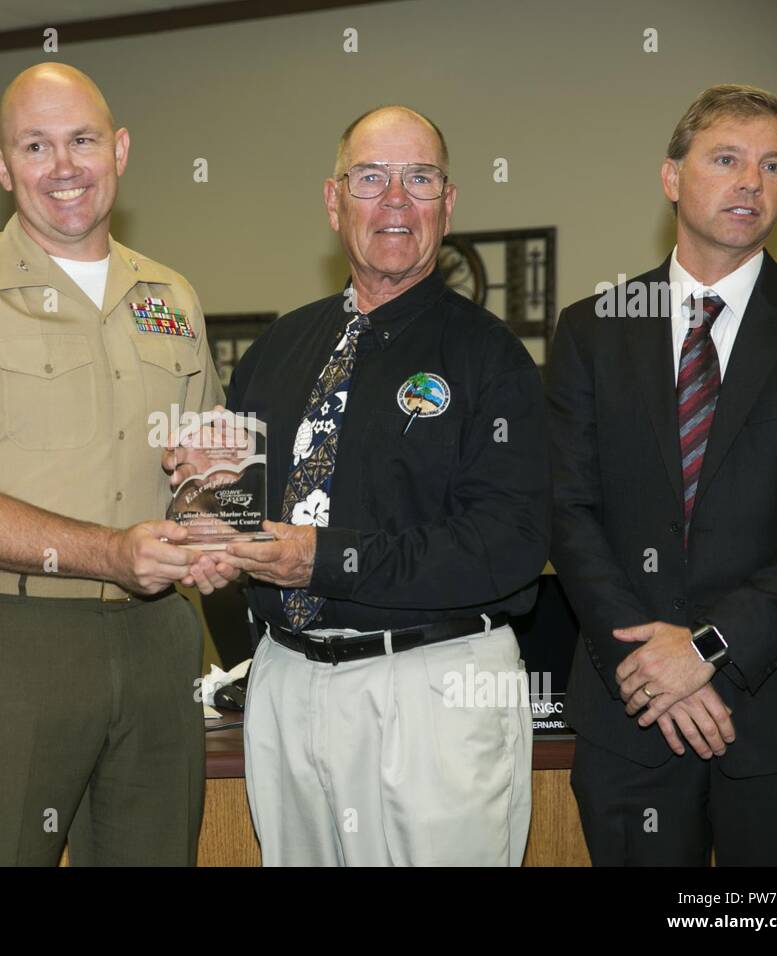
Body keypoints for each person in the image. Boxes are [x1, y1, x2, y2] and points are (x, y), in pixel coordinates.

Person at [169, 106, 550, 865]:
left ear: (449, 202)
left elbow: (508, 546)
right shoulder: (280, 347)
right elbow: (240, 511)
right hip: (283, 681)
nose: (397, 201)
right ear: (334, 200)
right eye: (372, 178)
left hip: (431, 689)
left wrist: (324, 560)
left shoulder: (492, 358)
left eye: (421, 179)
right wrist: (207, 524)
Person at [0, 63, 226, 866]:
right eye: (36, 146)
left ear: (121, 150)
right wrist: (108, 551)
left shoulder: (171, 295)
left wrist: (216, 515)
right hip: (12, 644)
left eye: (82, 141)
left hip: (160, 641)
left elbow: (202, 473)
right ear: (2, 168)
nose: (64, 167)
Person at [548, 84, 777, 865]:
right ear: (671, 177)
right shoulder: (592, 329)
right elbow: (569, 510)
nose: (752, 182)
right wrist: (651, 668)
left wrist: (708, 648)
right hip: (632, 713)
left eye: (774, 165)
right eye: (727, 159)